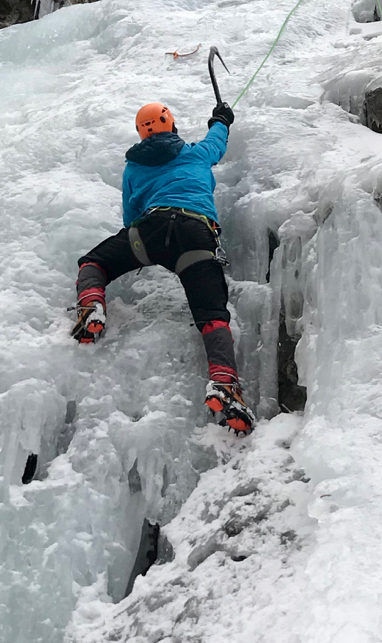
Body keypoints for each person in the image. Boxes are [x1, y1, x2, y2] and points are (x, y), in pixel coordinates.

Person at [71, 98, 256, 435]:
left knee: (94, 262)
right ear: (171, 124)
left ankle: (92, 304)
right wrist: (221, 119)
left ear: (142, 133)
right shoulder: (195, 153)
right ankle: (224, 382)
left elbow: (130, 217)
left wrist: (139, 249)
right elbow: (217, 143)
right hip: (195, 233)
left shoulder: (134, 167)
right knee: (212, 314)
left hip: (149, 232)